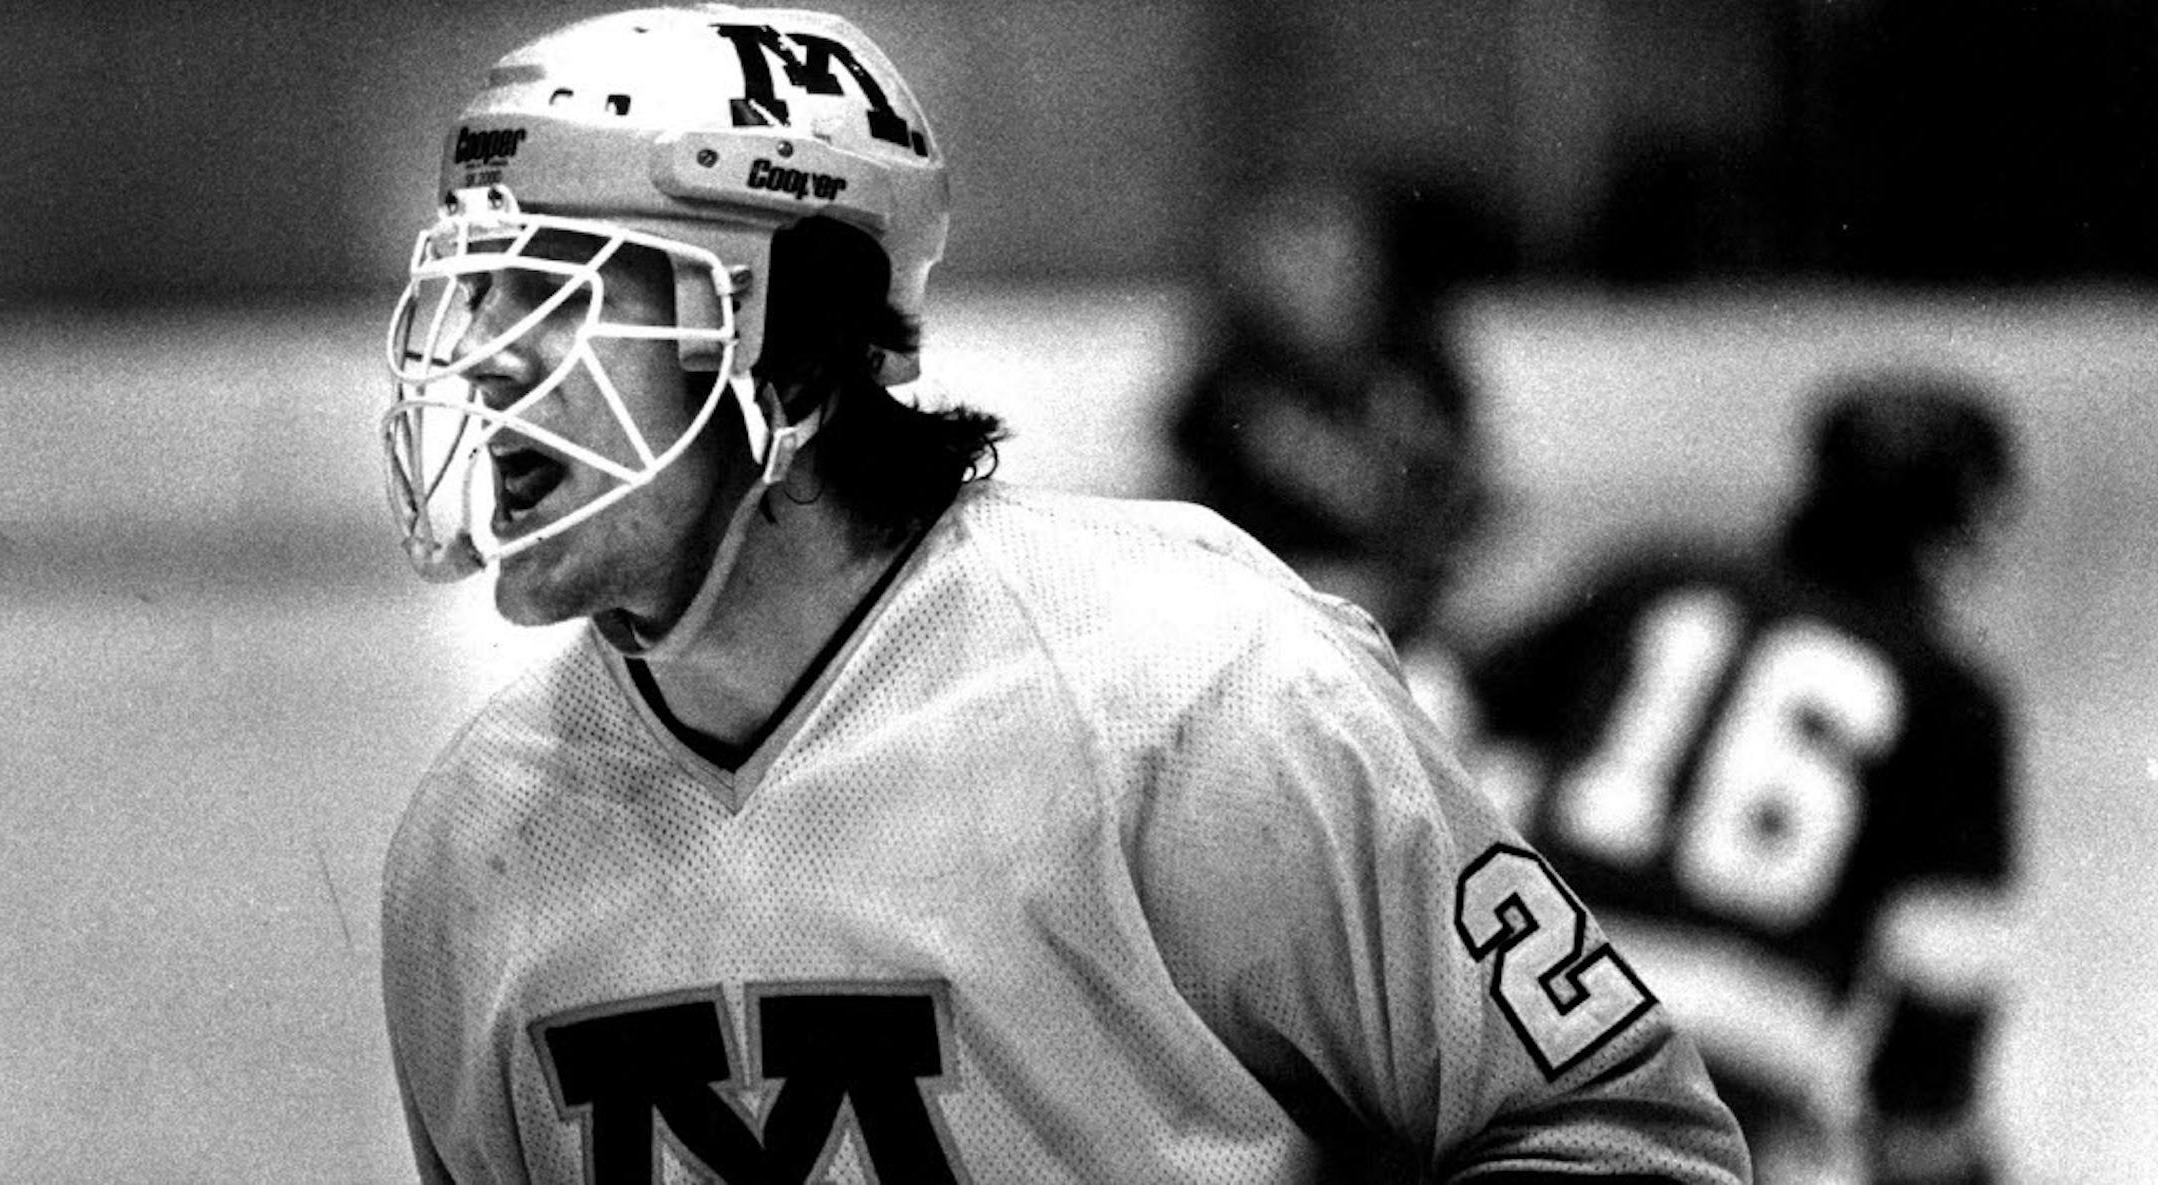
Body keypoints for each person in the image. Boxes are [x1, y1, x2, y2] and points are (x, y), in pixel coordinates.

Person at [376, 7, 1748, 1182]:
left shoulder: (1203, 694)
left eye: (554, 292)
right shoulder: (471, 846)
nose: (485, 357)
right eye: (477, 292)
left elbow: (1628, 1143)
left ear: (784, 347)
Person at [1466, 370, 2021, 1184]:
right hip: (1724, 1074)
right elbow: (1943, 981)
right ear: (1956, 534)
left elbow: (1426, 711)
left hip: (1520, 1001)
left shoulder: (1651, 581)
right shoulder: (1950, 698)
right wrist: (1929, 1138)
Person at [1166, 175, 1496, 730]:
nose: (1322, 279)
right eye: (1296, 262)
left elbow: (1465, 513)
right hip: (1272, 626)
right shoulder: (1226, 386)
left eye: (1340, 260)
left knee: (1434, 703)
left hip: (1413, 631)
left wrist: (1413, 591)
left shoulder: (1415, 369)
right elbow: (1191, 531)